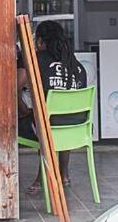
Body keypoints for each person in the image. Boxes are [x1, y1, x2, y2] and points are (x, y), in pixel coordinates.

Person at [17, 20, 87, 192]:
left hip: (48, 128)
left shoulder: (34, 60)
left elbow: (13, 88)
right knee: (60, 119)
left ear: (40, 41)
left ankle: (41, 180)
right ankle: (63, 175)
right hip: (76, 128)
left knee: (24, 123)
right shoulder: (77, 66)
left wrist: (24, 111)